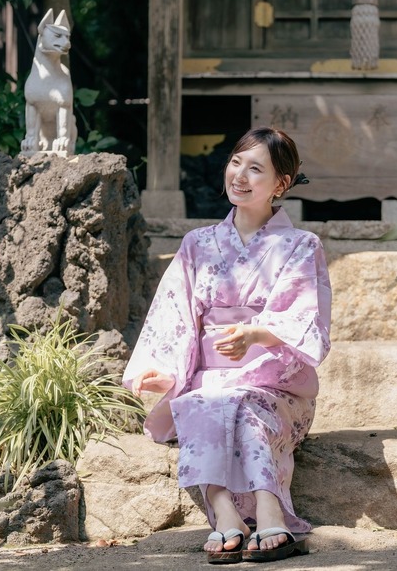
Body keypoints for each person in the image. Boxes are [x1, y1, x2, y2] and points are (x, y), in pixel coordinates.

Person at [122, 126, 332, 564]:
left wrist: (257, 334)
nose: (239, 174)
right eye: (236, 162)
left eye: (255, 168)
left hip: (275, 384)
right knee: (201, 399)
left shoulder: (301, 245)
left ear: (281, 184)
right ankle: (226, 514)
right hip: (210, 377)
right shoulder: (197, 243)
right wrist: (166, 371)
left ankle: (270, 509)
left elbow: (304, 318)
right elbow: (175, 313)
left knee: (242, 404)